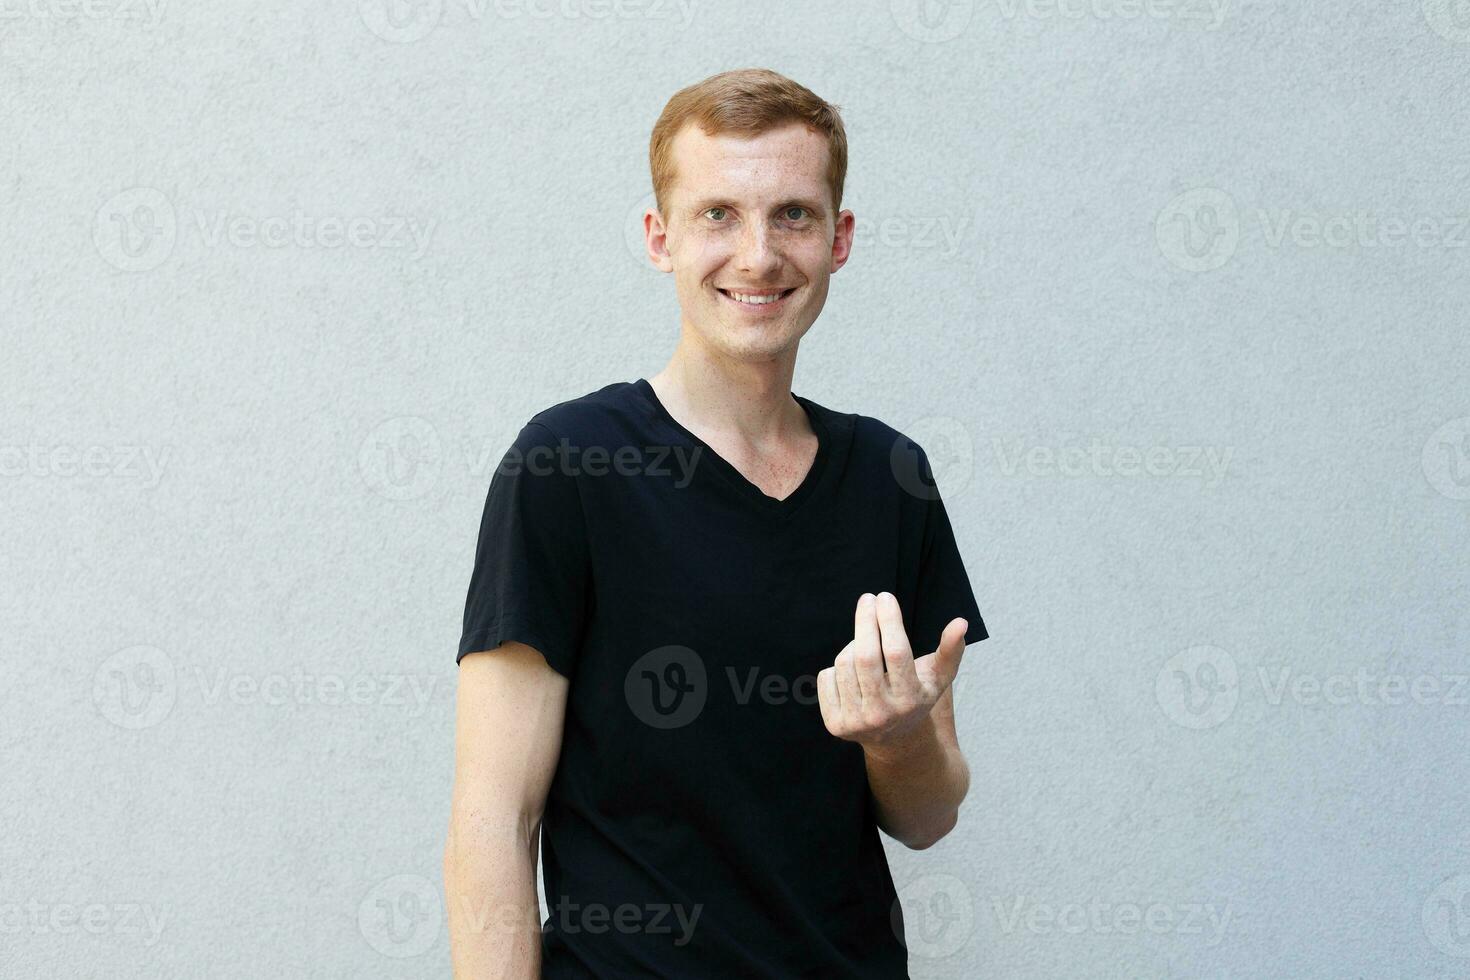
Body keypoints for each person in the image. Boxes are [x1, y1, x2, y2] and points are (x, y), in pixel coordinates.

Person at [444, 66, 990, 978]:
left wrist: (898, 738)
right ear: (660, 238)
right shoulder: (568, 465)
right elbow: (494, 815)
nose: (758, 255)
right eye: (717, 215)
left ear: (839, 238)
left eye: (793, 215)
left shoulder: (892, 478)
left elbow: (928, 817)